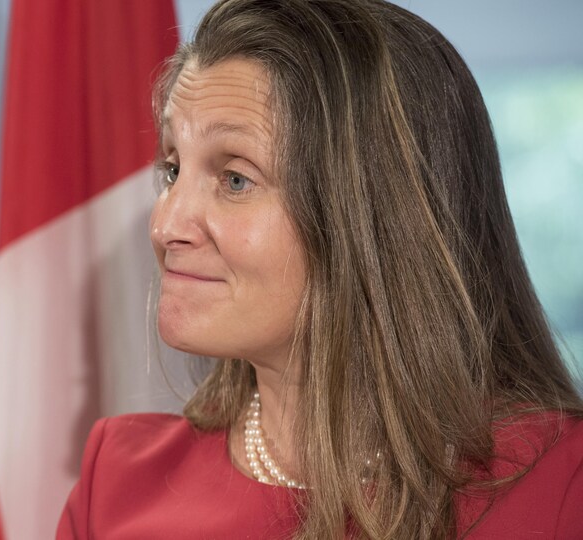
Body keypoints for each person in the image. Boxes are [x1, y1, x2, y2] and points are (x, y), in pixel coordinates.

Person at [56, 0, 583, 538]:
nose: (164, 226)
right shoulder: (117, 482)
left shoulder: (560, 486)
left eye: (235, 179)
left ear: (377, 217)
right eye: (172, 170)